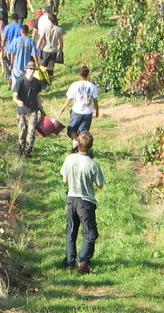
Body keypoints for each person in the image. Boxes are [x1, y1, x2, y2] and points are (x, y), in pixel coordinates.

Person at [60, 131, 104, 273]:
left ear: (77, 144)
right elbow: (100, 185)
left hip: (71, 199)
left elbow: (65, 179)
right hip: (86, 202)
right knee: (90, 233)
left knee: (71, 231)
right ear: (91, 146)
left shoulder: (69, 159)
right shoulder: (93, 164)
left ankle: (69, 262)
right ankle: (83, 260)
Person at [59, 65, 100, 151]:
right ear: (88, 74)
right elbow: (95, 100)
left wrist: (63, 107)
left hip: (77, 111)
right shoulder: (92, 86)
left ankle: (75, 141)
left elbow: (69, 98)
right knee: (83, 132)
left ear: (79, 74)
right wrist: (97, 110)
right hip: (87, 112)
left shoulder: (75, 85)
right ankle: (81, 147)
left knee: (71, 129)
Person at [13, 61, 45, 157]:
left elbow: (38, 96)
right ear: (26, 69)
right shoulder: (20, 81)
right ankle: (21, 148)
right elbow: (14, 96)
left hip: (33, 110)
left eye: (33, 69)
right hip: (22, 110)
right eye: (30, 69)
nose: (31, 71)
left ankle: (28, 150)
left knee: (31, 130)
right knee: (22, 130)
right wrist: (18, 102)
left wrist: (42, 109)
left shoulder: (37, 82)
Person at [8, 24, 35, 92]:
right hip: (26, 65)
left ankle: (16, 95)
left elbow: (12, 53)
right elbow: (34, 54)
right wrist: (37, 63)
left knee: (15, 81)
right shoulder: (31, 41)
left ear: (21, 31)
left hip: (16, 65)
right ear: (27, 31)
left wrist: (11, 63)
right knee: (25, 80)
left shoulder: (15, 41)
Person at [37, 13, 63, 77]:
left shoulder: (45, 28)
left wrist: (37, 48)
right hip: (54, 51)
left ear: (49, 20)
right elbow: (61, 42)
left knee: (42, 67)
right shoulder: (59, 29)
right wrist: (60, 50)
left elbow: (40, 39)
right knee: (50, 68)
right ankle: (49, 82)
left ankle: (43, 80)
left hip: (45, 50)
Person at [2, 13, 23, 81]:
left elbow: (4, 38)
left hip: (9, 48)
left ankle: (9, 77)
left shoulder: (7, 27)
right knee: (17, 63)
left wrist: (3, 46)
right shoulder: (20, 26)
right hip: (18, 48)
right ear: (17, 19)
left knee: (9, 63)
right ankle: (17, 77)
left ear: (11, 19)